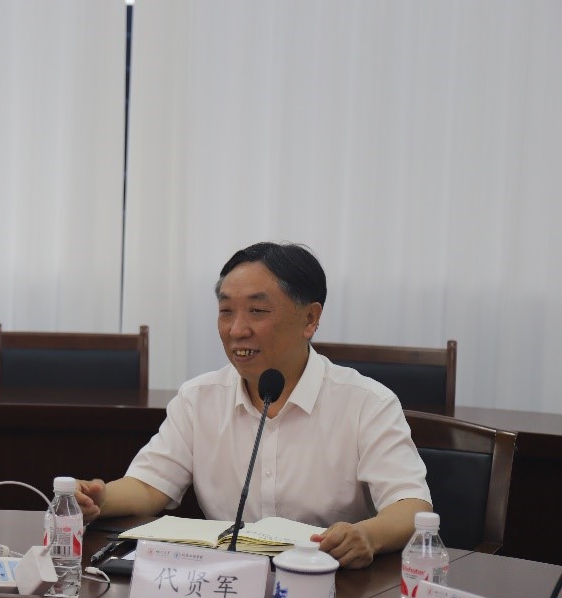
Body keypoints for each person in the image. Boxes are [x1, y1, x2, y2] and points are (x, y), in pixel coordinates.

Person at [77, 242, 432, 569]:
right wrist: (100, 499)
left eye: (257, 311)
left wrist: (366, 535)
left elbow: (411, 507)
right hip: (224, 581)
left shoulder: (367, 403)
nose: (237, 330)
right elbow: (150, 485)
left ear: (310, 319)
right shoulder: (198, 398)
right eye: (226, 311)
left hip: (329, 584)